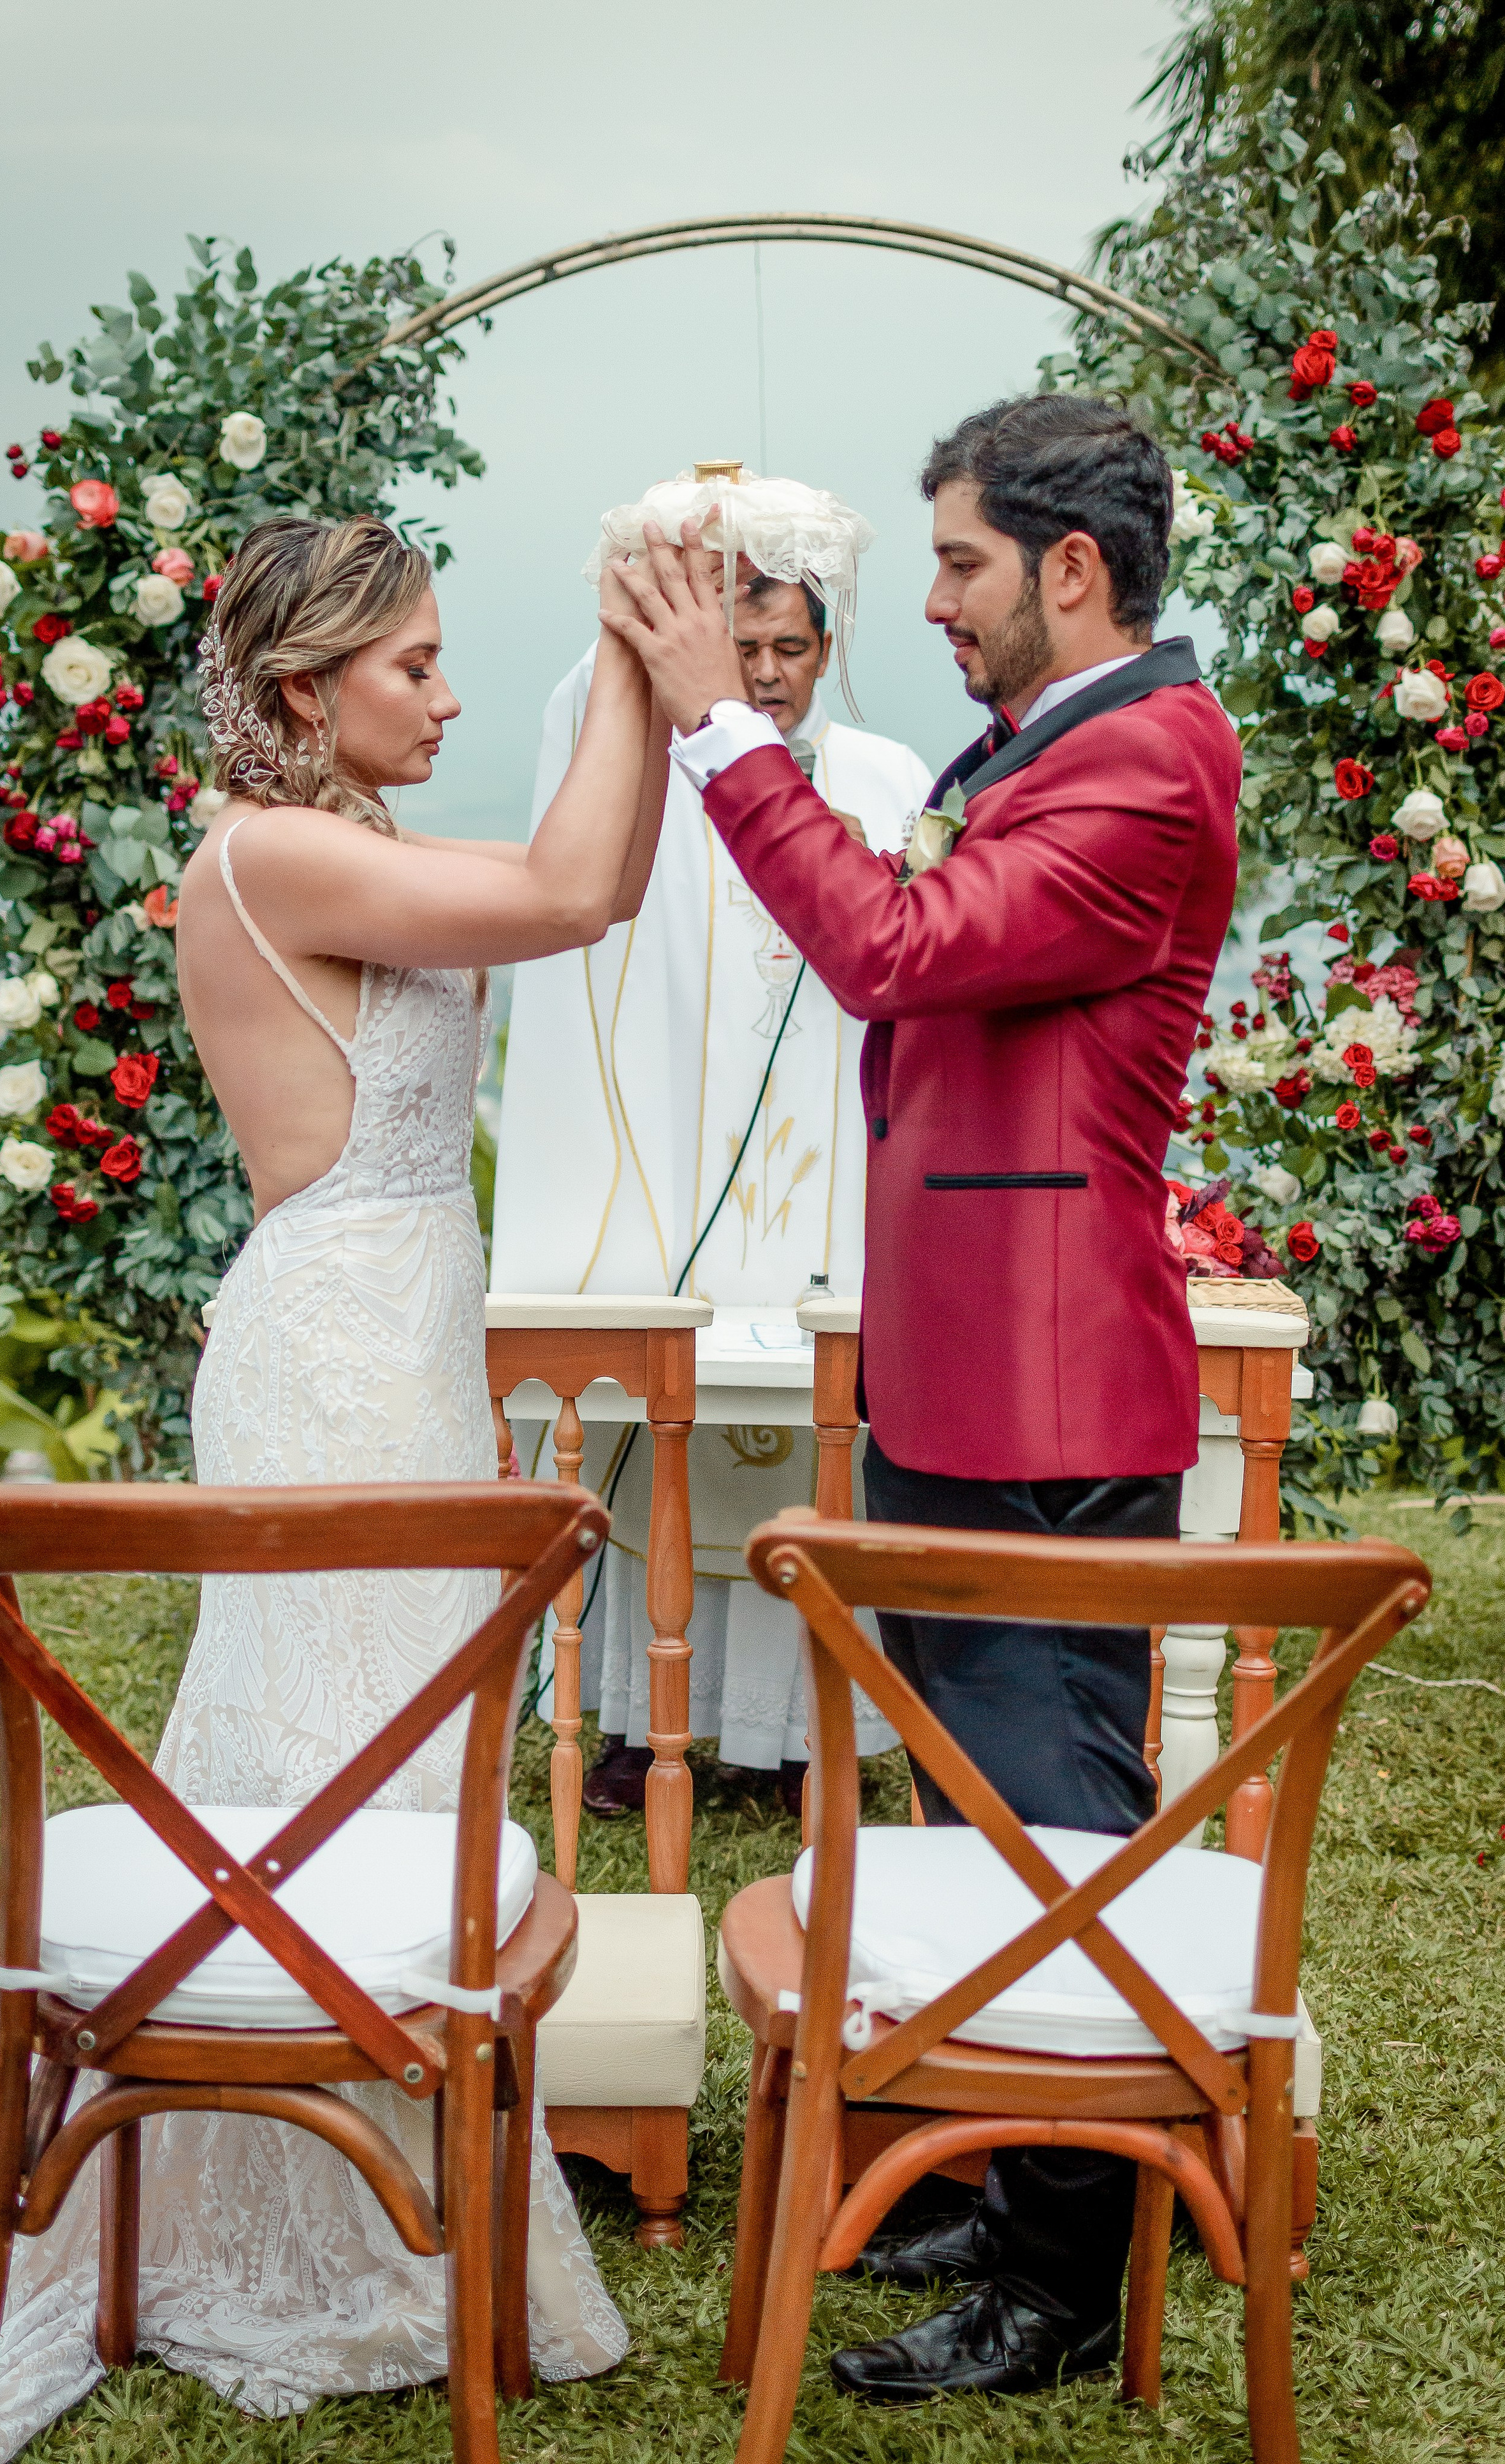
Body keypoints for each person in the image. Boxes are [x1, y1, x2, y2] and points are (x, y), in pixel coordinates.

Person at [0, 514, 660, 2460]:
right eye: (417, 664)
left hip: (401, 1338)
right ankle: (290, 2178)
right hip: (338, 1361)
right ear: (301, 688)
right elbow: (574, 884)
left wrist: (652, 695)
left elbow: (581, 878)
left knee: (393, 1756)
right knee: (347, 1753)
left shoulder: (346, 843)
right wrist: (629, 642)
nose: (446, 693)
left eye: (450, 661)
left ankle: (357, 2170)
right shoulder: (273, 855)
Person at [600, 394, 1241, 2401]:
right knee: (982, 1804)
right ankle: (1023, 2158)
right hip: (980, 1373)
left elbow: (891, 946)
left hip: (1051, 1400)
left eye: (960, 560)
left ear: (1072, 566)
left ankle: (1063, 2277)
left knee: (1051, 1817)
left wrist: (722, 724)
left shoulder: (1144, 761)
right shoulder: (1060, 743)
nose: (936, 599)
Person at [491, 570, 931, 1817]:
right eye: (743, 647)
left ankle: (805, 1728)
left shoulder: (888, 778)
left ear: (827, 647)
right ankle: (642, 1715)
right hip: (679, 1183)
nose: (769, 671)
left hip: (825, 1175)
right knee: (660, 1425)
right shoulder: (648, 782)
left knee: (813, 1442)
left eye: (792, 646)